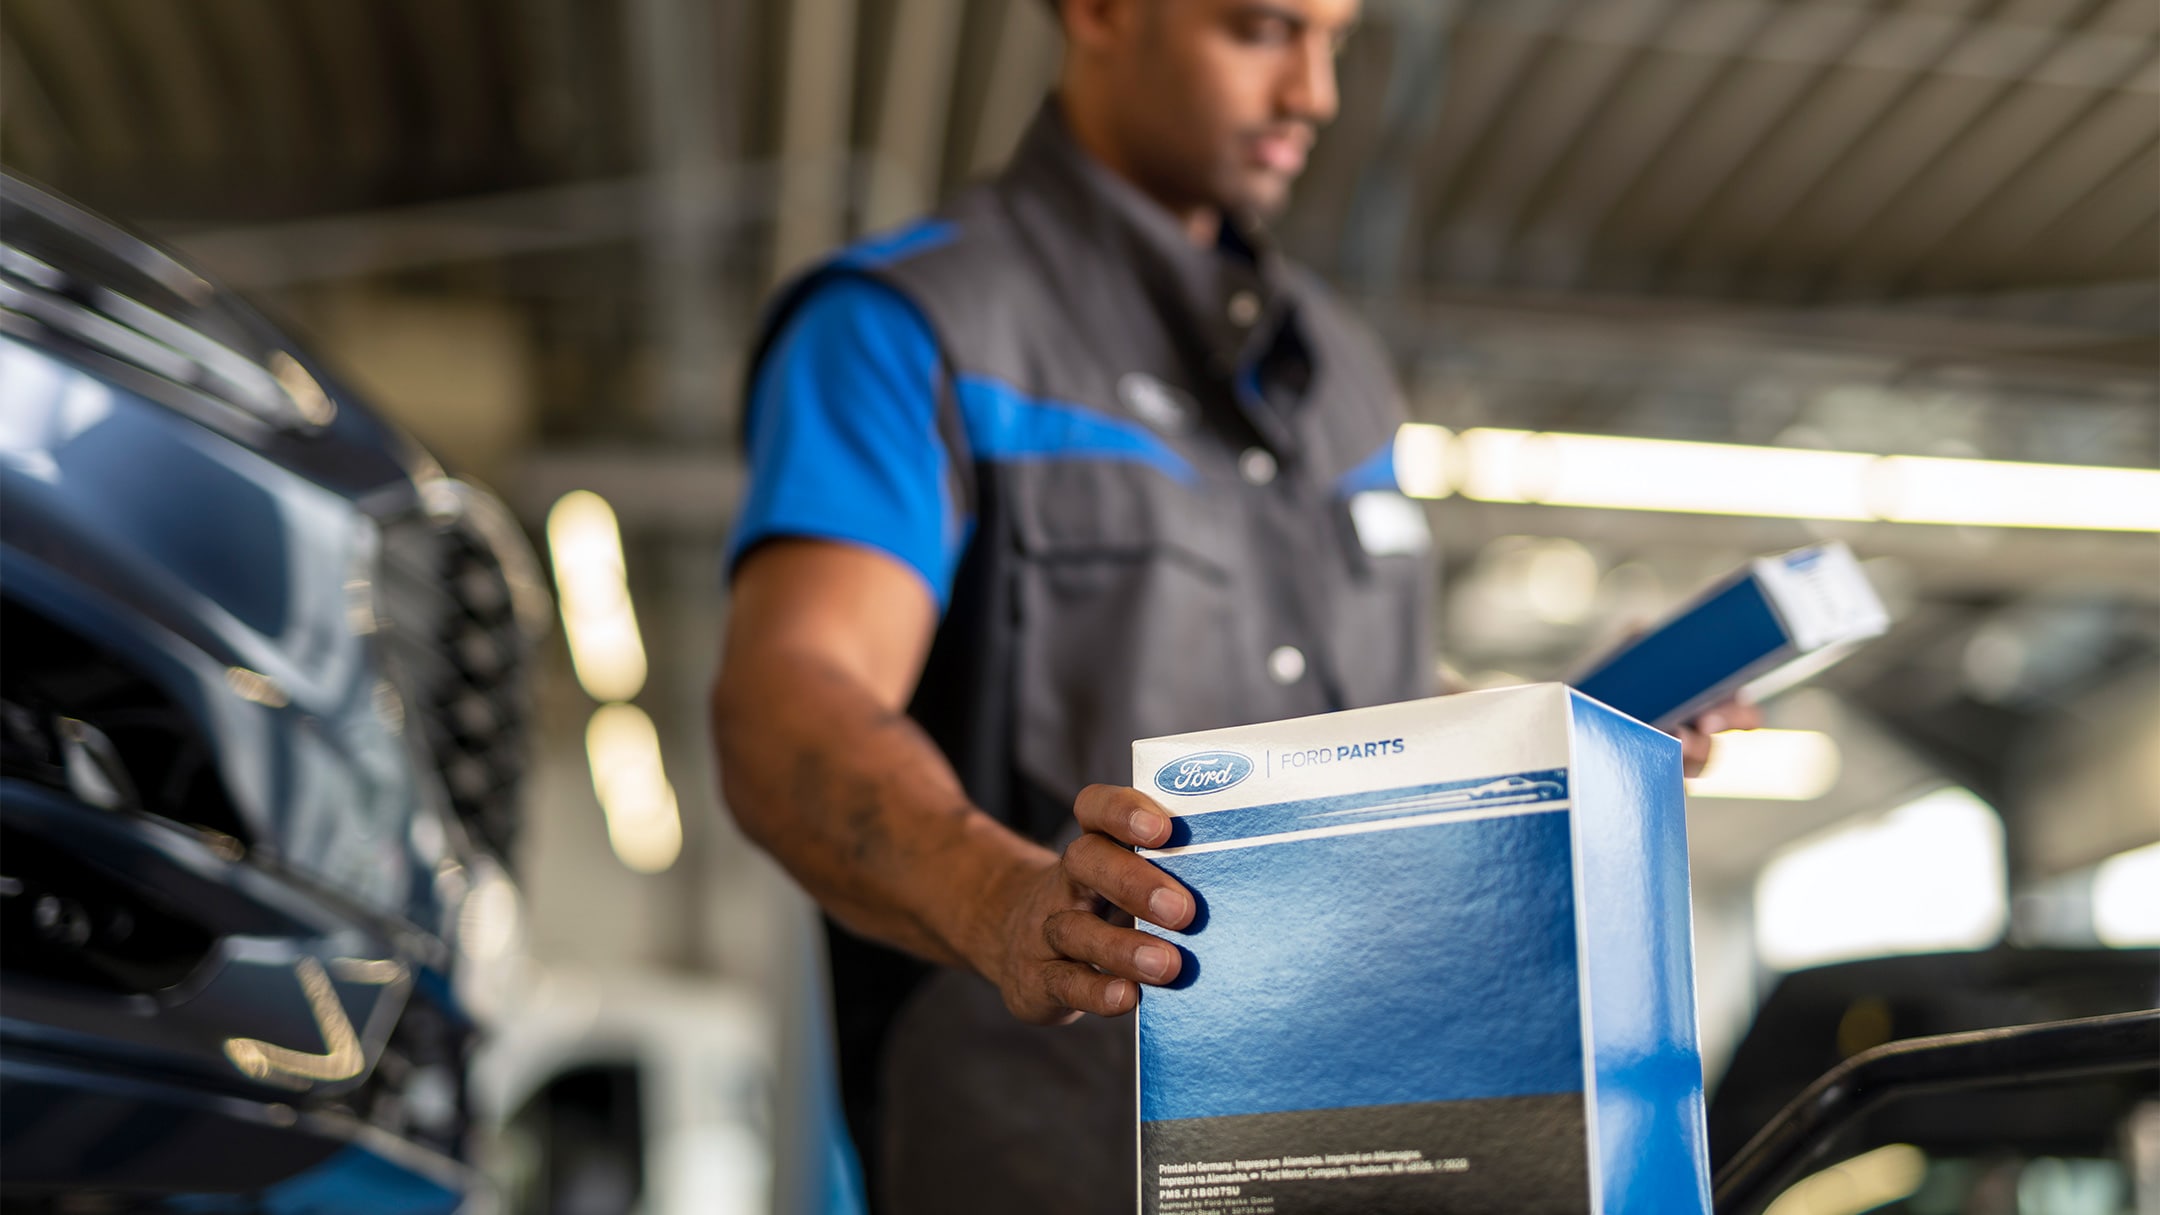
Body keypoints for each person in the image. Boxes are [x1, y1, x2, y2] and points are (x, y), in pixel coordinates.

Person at [710, 1, 1757, 1211]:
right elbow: (790, 703)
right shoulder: (913, 327)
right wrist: (1004, 902)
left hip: (1371, 1149)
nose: (1312, 93)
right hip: (1052, 1159)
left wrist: (1557, 731)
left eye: (1335, 40)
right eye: (1260, 29)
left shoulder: (1342, 376)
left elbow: (1367, 716)